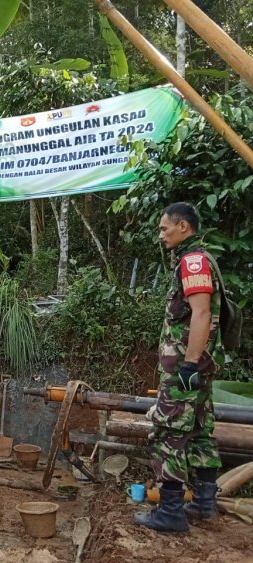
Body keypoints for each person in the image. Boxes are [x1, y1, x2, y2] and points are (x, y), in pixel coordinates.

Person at [135, 202, 225, 533]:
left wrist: (187, 365)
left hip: (186, 369)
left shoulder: (193, 261)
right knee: (200, 432)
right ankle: (203, 505)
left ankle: (170, 513)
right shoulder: (196, 259)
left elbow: (201, 313)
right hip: (199, 367)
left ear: (183, 227)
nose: (161, 235)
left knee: (169, 431)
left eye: (164, 228)